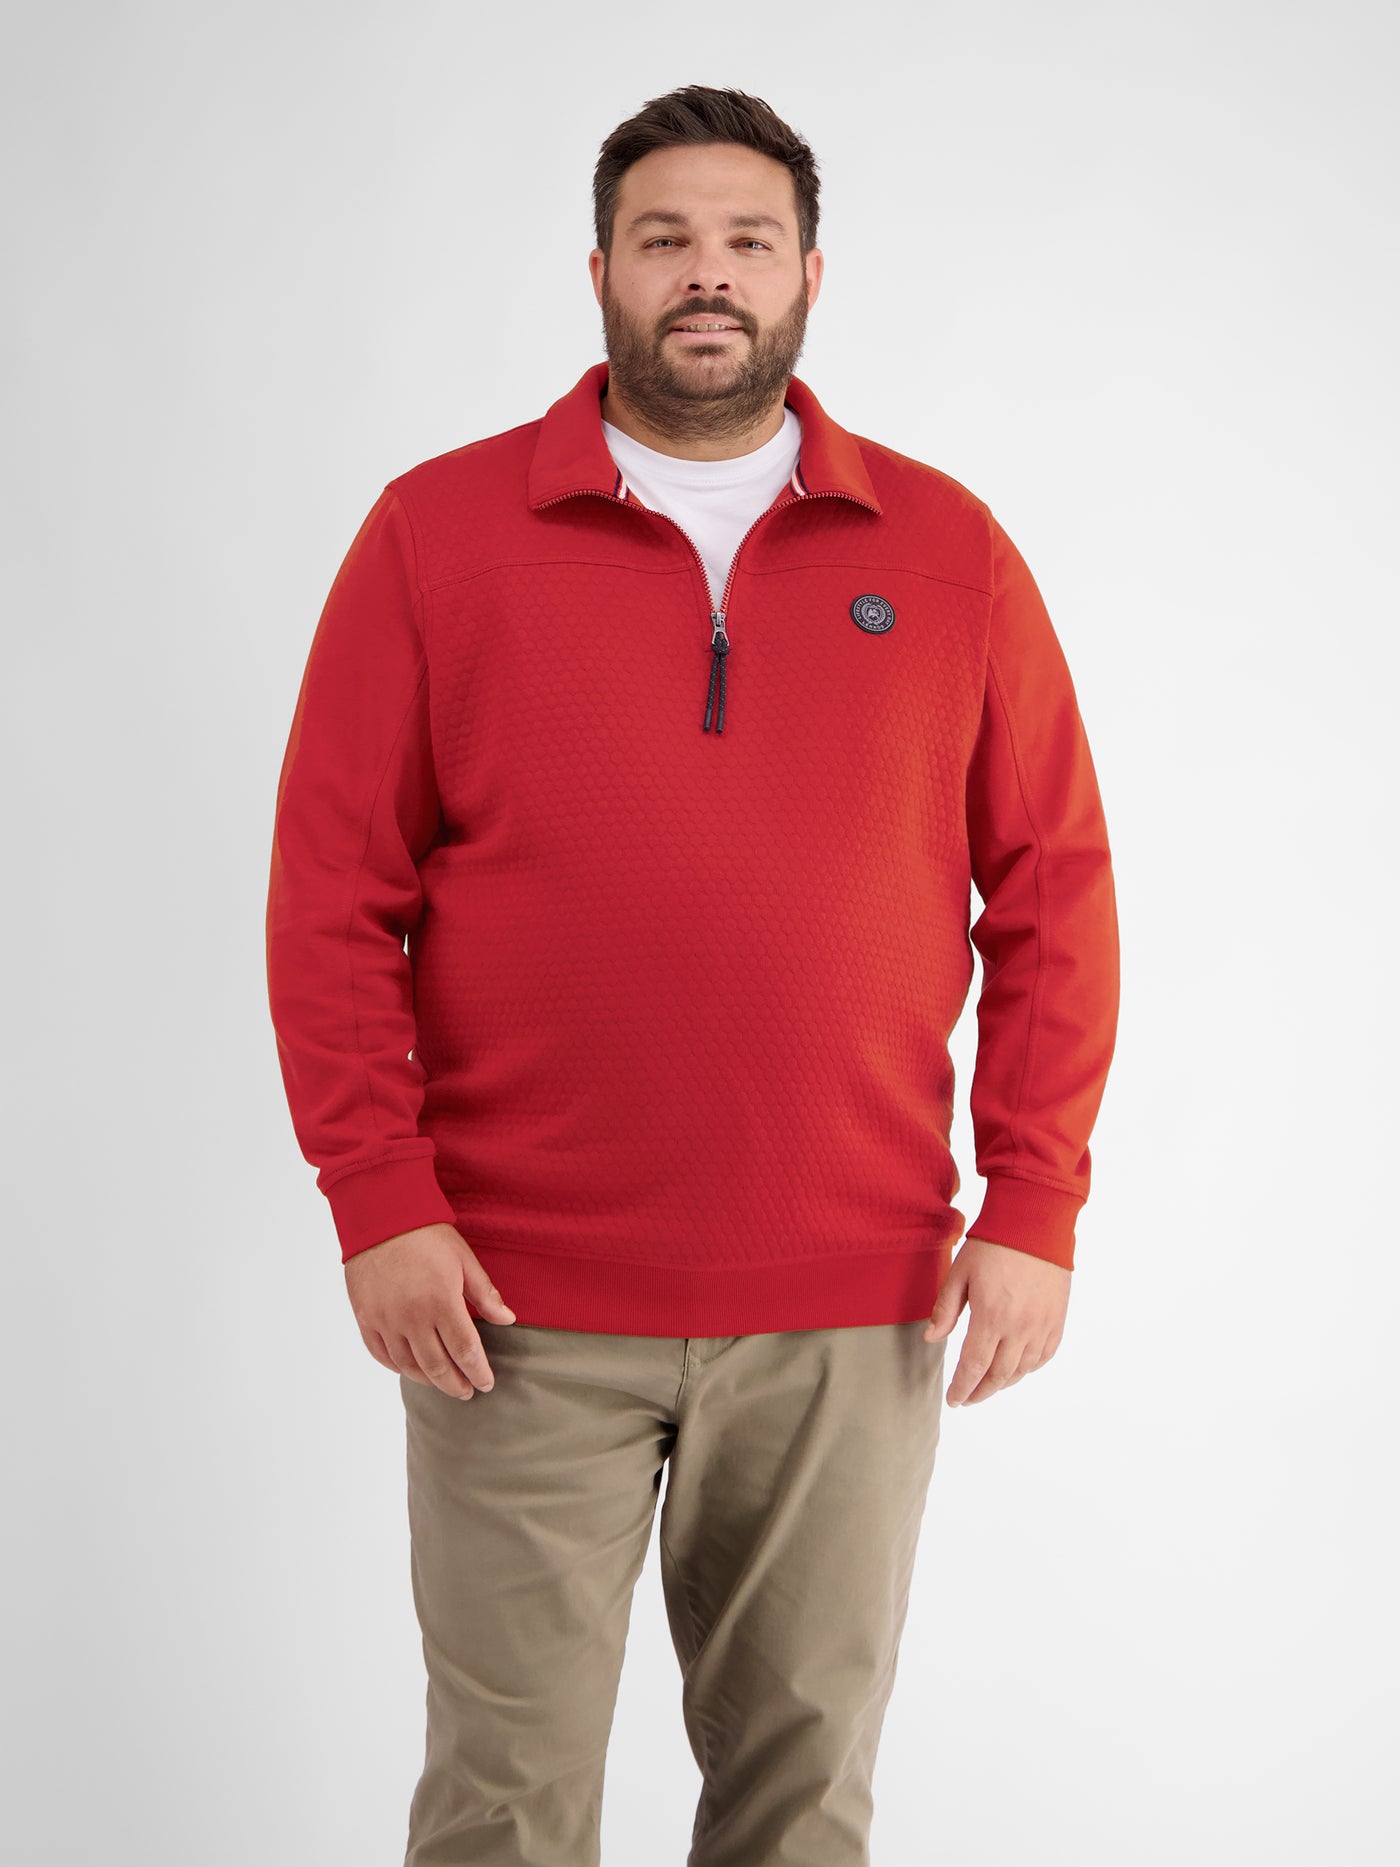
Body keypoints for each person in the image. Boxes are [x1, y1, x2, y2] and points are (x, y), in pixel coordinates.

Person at [265, 82, 1120, 1867]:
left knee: (801, 1802)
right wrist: (378, 1199)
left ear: (809, 274)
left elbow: (1053, 889)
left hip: (849, 1298)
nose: (706, 274)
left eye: (747, 240)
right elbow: (335, 892)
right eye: (665, 241)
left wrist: (1036, 1200)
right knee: (501, 1804)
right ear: (601, 272)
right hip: (509, 1302)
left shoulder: (948, 552)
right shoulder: (435, 535)